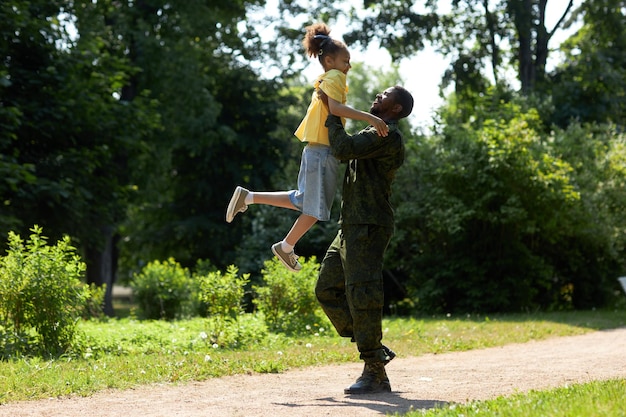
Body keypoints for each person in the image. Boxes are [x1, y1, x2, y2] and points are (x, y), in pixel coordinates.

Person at [225, 22, 389, 272]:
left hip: (316, 149)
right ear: (331, 60)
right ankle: (286, 246)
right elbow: (335, 110)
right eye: (346, 61)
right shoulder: (335, 76)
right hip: (323, 152)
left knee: (304, 201)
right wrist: (371, 118)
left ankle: (249, 196)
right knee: (315, 210)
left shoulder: (330, 77)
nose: (349, 66)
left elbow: (332, 111)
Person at [315, 85, 414, 394]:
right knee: (327, 290)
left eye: (384, 96)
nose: (376, 97)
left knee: (363, 294)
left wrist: (332, 114)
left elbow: (343, 149)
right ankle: (374, 347)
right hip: (350, 225)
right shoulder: (375, 129)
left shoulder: (387, 135)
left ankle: (374, 371)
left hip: (369, 225)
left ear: (394, 109)